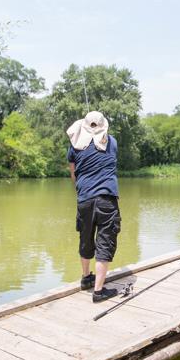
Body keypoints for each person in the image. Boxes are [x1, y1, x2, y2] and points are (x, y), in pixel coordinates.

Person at [66, 111, 121, 303]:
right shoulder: (112, 142)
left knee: (85, 237)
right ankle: (98, 292)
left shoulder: (74, 146)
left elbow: (73, 173)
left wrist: (82, 190)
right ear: (104, 125)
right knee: (105, 241)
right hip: (106, 198)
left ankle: (86, 277)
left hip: (84, 198)